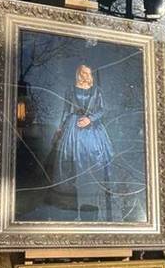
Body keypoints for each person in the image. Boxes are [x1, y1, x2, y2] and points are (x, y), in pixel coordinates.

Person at [47, 64, 116, 220]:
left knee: (93, 163)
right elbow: (66, 110)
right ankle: (69, 208)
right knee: (70, 162)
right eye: (84, 72)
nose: (86, 75)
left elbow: (103, 109)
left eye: (89, 73)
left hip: (92, 130)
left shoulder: (96, 90)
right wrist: (60, 129)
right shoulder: (70, 90)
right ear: (79, 73)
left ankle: (90, 208)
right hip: (73, 128)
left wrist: (90, 119)